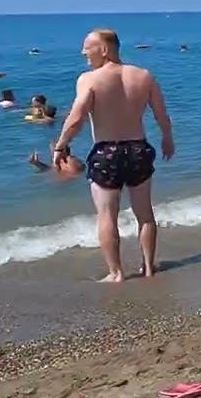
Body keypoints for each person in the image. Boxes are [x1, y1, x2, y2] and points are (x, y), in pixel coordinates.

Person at [53, 29, 174, 282]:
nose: (83, 52)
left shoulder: (89, 79)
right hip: (139, 149)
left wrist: (61, 145)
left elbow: (76, 118)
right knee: (145, 213)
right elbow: (161, 114)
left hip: (107, 151)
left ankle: (116, 273)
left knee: (107, 215)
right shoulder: (143, 75)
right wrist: (166, 139)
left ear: (105, 49)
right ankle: (148, 268)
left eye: (88, 46)